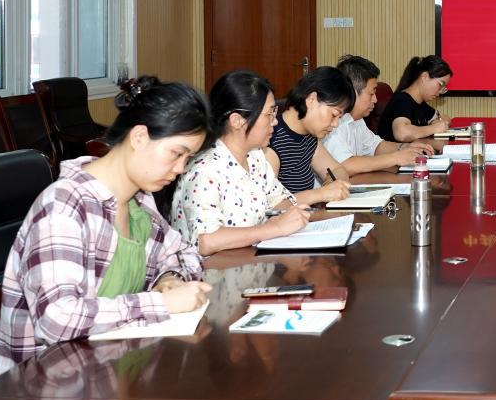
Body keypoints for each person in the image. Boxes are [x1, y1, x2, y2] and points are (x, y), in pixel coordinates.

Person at [0, 77, 213, 374]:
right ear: (139, 137)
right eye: (176, 153)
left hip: (115, 370)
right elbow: (56, 319)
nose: (180, 169)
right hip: (54, 385)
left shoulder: (139, 202)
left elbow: (185, 254)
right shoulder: (64, 207)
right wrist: (160, 303)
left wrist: (169, 279)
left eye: (188, 158)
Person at [171, 70, 330, 256]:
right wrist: (274, 229)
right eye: (269, 114)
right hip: (215, 270)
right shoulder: (204, 170)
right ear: (237, 121)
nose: (275, 122)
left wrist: (307, 218)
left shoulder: (255, 157)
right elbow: (207, 241)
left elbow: (279, 201)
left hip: (253, 262)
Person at [325, 55, 434, 175]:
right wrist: (396, 158)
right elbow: (345, 165)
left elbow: (376, 146)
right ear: (352, 92)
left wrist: (405, 147)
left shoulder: (357, 119)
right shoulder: (333, 123)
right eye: (371, 93)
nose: (375, 100)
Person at [267, 65, 354, 198]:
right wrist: (321, 194)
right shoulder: (270, 138)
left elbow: (338, 169)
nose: (335, 124)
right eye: (334, 114)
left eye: (339, 118)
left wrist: (332, 184)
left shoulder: (308, 136)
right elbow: (269, 202)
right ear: (311, 99)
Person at [376, 55, 454, 143]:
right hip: (392, 151)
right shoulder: (402, 101)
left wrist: (437, 121)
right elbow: (402, 134)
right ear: (425, 77)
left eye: (443, 88)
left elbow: (446, 119)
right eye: (440, 85)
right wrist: (433, 128)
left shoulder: (420, 103)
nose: (440, 92)